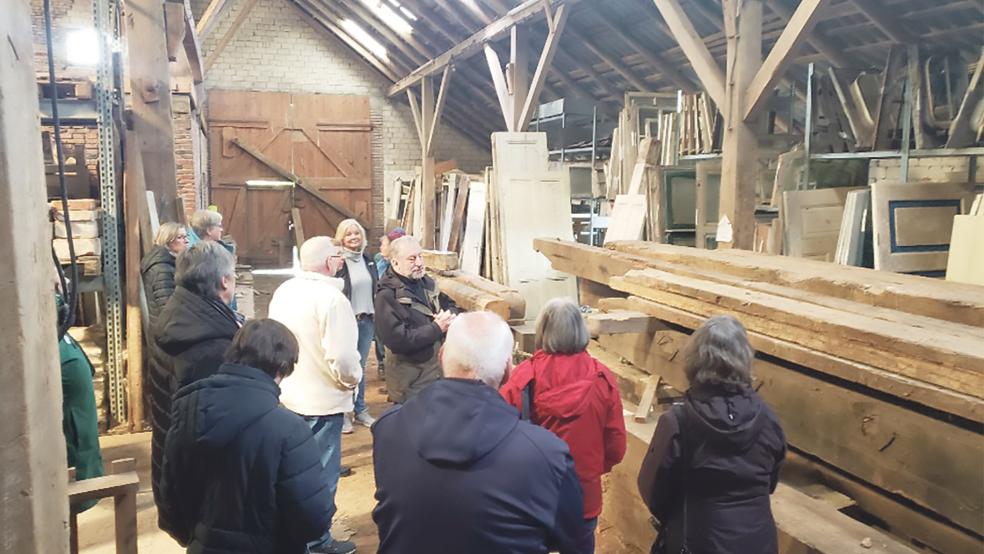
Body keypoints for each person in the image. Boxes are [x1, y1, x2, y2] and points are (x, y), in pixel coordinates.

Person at [372, 311, 589, 554]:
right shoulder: (547, 454)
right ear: (508, 370)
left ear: (442, 356)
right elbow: (575, 541)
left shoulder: (388, 429)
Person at [159, 319, 333, 553]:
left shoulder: (189, 410)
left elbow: (170, 498)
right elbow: (313, 520)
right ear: (283, 366)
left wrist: (197, 538)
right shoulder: (288, 429)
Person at [638, 315, 786, 554]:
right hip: (757, 542)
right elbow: (770, 481)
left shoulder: (678, 422)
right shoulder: (769, 419)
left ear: (695, 360)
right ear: (745, 360)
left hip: (698, 540)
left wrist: (676, 518)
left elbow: (652, 489)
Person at [500, 297, 627, 553]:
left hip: (533, 496)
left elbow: (500, 437)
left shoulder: (523, 377)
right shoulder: (603, 378)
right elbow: (616, 444)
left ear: (543, 330)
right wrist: (591, 469)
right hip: (583, 496)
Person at [268, 236, 362, 554]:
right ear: (329, 262)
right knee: (321, 477)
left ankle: (293, 538)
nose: (341, 262)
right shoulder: (332, 300)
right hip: (321, 401)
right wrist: (352, 382)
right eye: (338, 256)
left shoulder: (284, 291)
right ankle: (317, 541)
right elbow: (344, 358)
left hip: (286, 397)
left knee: (291, 473)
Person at [150, 241, 241, 524]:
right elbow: (213, 429)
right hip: (205, 488)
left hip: (173, 464)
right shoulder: (210, 346)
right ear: (224, 281)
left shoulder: (176, 314)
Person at [374, 235, 458, 403]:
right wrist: (436, 328)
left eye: (420, 256)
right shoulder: (387, 296)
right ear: (395, 262)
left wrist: (449, 316)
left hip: (435, 373)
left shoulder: (426, 283)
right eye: (412, 259)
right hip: (410, 380)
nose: (419, 263)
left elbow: (451, 305)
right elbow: (397, 340)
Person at [57, 295, 104, 513]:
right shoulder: (52, 339)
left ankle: (88, 488)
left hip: (81, 429)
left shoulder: (61, 335)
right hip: (73, 443)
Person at [334, 219, 378, 433]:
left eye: (357, 234)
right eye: (348, 234)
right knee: (344, 367)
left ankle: (360, 409)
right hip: (347, 321)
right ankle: (343, 413)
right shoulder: (339, 263)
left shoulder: (368, 260)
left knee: (360, 368)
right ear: (341, 238)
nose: (353, 238)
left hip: (366, 320)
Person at [141, 222, 189, 330]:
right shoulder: (162, 269)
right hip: (166, 332)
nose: (186, 241)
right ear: (167, 240)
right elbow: (167, 308)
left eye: (186, 236)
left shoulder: (167, 261)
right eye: (180, 237)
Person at [372, 228, 405, 380]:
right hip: (376, 303)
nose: (381, 247)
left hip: (393, 306)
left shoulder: (400, 265)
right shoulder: (378, 260)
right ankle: (381, 365)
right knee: (379, 336)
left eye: (384, 244)